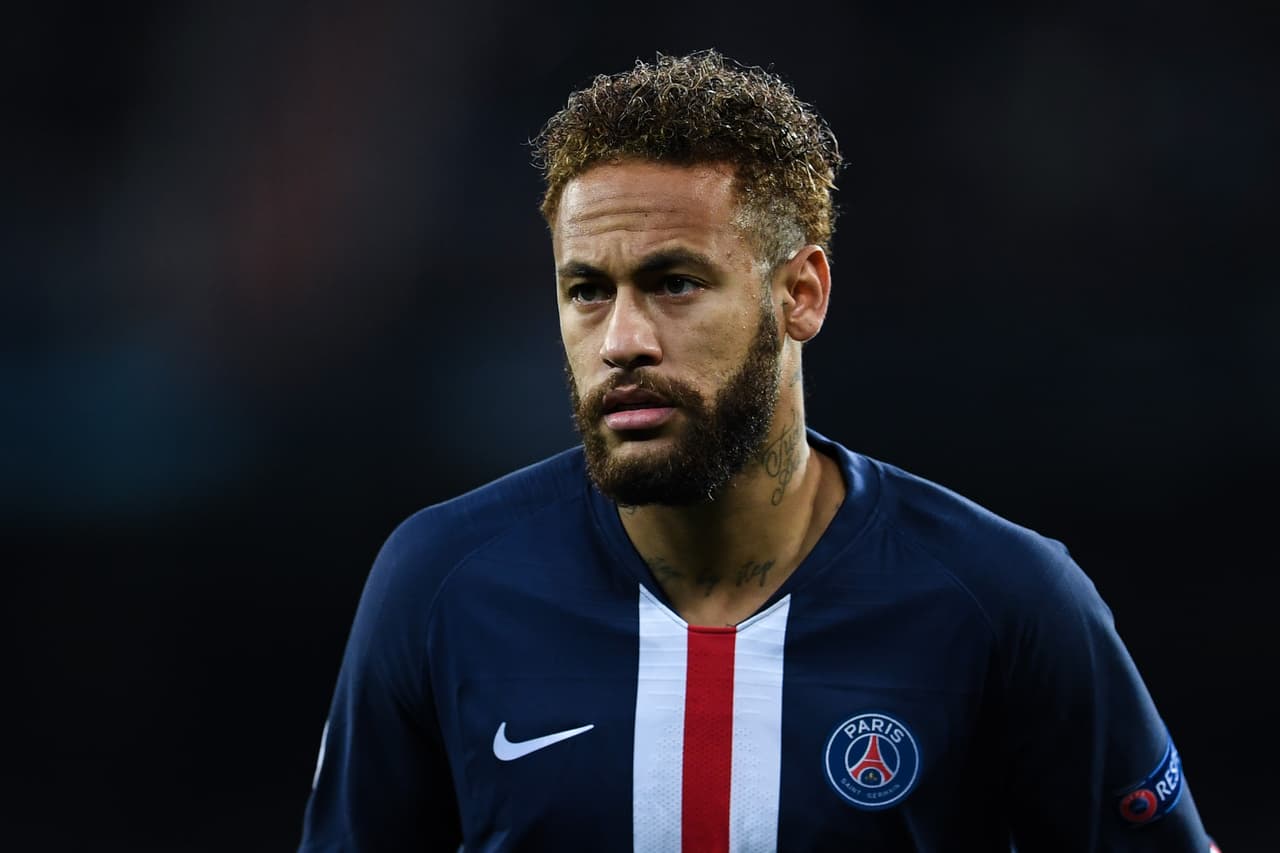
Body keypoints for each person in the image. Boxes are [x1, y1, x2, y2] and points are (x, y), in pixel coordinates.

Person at [298, 50, 1217, 852]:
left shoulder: (1005, 600)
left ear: (802, 294)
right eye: (586, 290)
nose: (622, 340)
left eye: (674, 283)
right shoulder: (440, 585)